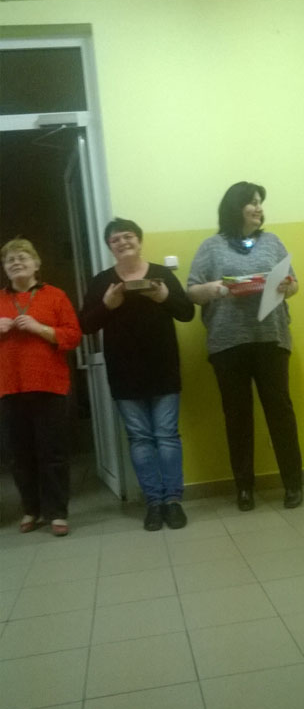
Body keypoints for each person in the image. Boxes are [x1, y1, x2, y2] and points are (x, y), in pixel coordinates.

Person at [187, 181, 303, 511]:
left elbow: (293, 284)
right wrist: (215, 288)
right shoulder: (211, 246)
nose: (258, 208)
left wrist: (288, 285)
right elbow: (192, 291)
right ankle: (244, 489)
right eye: (252, 202)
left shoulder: (273, 241)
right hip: (228, 343)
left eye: (260, 202)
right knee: (237, 417)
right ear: (234, 207)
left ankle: (293, 484)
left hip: (271, 339)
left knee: (280, 413)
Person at [79, 218, 194, 531]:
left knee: (167, 437)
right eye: (115, 239)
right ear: (110, 247)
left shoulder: (161, 274)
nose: (122, 242)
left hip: (164, 369)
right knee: (140, 439)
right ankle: (153, 503)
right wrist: (107, 305)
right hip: (124, 373)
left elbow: (187, 313)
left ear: (139, 241)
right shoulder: (102, 281)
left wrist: (163, 297)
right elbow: (85, 325)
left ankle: (173, 501)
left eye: (128, 236)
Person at [0, 238, 82, 536]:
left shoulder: (56, 296)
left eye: (22, 257)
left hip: (49, 386)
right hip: (9, 388)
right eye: (10, 259)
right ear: (5, 268)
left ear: (36, 264)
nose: (16, 262)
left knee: (53, 453)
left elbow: (73, 336)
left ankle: (57, 513)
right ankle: (31, 510)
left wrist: (39, 328)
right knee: (19, 455)